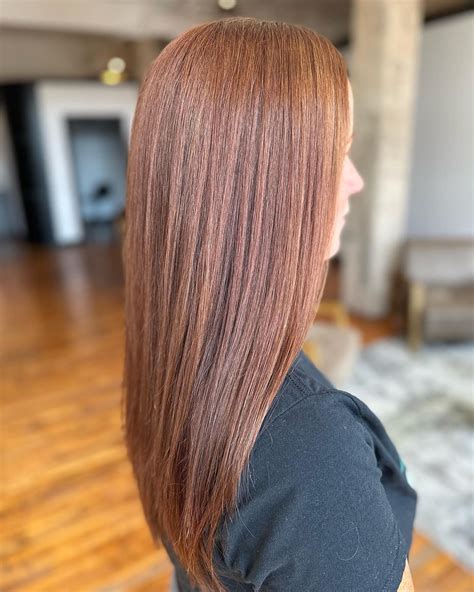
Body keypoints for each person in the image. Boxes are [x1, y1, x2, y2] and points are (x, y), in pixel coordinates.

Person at [122, 16, 418, 592]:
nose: (355, 181)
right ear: (265, 187)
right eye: (337, 154)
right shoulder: (309, 455)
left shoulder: (175, 342)